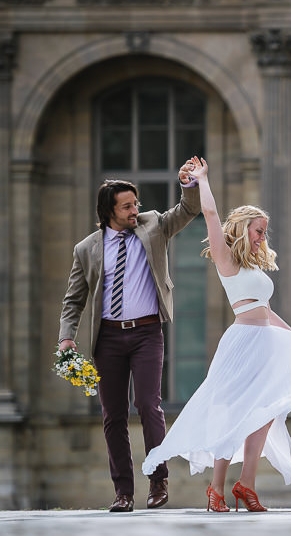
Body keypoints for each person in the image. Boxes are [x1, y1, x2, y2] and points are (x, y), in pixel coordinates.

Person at [141, 156, 291, 512]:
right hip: (241, 344)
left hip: (268, 342)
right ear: (242, 229)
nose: (262, 237)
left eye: (264, 231)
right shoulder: (226, 259)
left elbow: (265, 310)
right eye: (258, 230)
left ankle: (247, 485)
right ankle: (216, 489)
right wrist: (202, 180)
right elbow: (209, 214)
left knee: (266, 412)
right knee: (230, 412)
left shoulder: (254, 265)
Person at [57, 166, 202, 512]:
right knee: (113, 415)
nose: (135, 210)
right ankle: (123, 492)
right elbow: (74, 300)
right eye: (127, 206)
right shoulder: (86, 249)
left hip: (148, 332)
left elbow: (187, 210)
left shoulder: (153, 225)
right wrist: (66, 339)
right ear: (109, 211)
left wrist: (189, 184)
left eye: (136, 204)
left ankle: (158, 480)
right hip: (107, 338)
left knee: (149, 404)